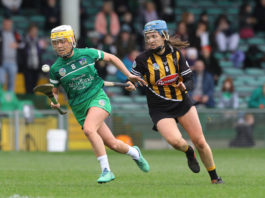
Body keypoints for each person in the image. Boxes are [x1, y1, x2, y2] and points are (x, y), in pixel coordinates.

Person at [48, 25, 150, 184]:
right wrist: (53, 101)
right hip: (79, 108)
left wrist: (129, 75)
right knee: (113, 144)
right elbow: (53, 91)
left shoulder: (87, 53)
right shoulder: (55, 68)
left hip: (97, 97)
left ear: (72, 40)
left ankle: (106, 170)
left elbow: (112, 58)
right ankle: (135, 153)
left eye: (63, 41)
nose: (59, 46)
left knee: (89, 129)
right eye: (55, 43)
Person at [130, 20, 223, 184]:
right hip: (159, 108)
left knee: (200, 141)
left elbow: (189, 79)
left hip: (182, 103)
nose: (150, 40)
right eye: (148, 37)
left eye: (154, 36)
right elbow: (132, 80)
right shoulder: (141, 59)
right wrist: (131, 84)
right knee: (175, 141)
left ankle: (215, 178)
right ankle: (188, 151)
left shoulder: (176, 54)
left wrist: (184, 86)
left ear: (164, 36)